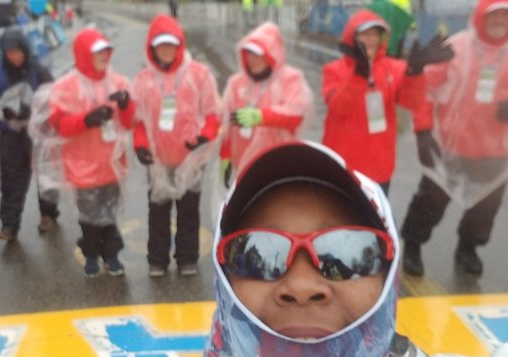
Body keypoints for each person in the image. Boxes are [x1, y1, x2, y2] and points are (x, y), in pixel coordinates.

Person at [97, 141, 508, 357]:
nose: (302, 286)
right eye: (258, 254)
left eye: (345, 254)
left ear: (389, 280)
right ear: (223, 285)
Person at [401, 0, 508, 276]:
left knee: (485, 208)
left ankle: (468, 247)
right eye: (494, 14)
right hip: (452, 146)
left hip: (497, 150)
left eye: (505, 15)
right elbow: (426, 90)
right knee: (430, 201)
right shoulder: (456, 48)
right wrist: (423, 132)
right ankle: (413, 244)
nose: (499, 21)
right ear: (481, 16)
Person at [35, 28, 134, 278]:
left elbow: (129, 123)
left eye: (106, 51)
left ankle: (111, 255)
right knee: (89, 218)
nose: (104, 56)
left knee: (111, 215)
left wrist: (126, 105)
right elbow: (59, 125)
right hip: (82, 168)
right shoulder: (66, 86)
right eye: (98, 52)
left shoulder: (119, 82)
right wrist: (86, 120)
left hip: (112, 166)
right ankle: (91, 254)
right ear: (83, 53)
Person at [321, 9, 452, 194]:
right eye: (364, 34)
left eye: (375, 34)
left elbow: (410, 102)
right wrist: (359, 75)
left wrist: (414, 73)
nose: (371, 40)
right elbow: (338, 107)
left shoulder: (394, 68)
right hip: (341, 164)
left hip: (378, 167)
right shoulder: (334, 70)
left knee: (373, 212)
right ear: (352, 37)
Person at [132, 15, 220, 277]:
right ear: (152, 46)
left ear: (179, 44)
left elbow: (212, 114)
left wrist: (205, 136)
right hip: (157, 161)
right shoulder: (144, 79)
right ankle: (157, 260)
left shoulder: (199, 74)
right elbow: (138, 121)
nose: (166, 49)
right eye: (161, 44)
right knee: (158, 212)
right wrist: (140, 145)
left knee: (189, 212)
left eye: (171, 44)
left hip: (190, 159)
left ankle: (187, 258)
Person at [0, 28, 60, 241]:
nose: (14, 57)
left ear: (25, 50)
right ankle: (9, 225)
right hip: (11, 134)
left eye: (18, 52)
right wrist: (5, 106)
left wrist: (33, 107)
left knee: (45, 175)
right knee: (11, 179)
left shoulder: (38, 70)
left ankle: (48, 214)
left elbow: (54, 94)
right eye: (10, 53)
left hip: (38, 132)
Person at [219, 22, 312, 187]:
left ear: (272, 54)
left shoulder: (290, 79)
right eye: (249, 53)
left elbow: (296, 114)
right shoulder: (236, 84)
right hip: (244, 168)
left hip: (279, 166)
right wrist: (225, 155)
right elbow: (228, 126)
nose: (252, 59)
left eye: (258, 54)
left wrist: (261, 116)